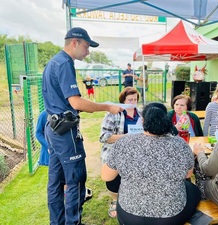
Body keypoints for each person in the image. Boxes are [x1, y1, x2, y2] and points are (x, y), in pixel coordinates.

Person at [42, 27, 123, 225]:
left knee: (56, 181)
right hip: (64, 132)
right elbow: (76, 103)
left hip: (53, 129)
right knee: (76, 179)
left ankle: (58, 222)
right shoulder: (64, 63)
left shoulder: (53, 62)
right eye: (86, 46)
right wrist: (107, 107)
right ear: (74, 43)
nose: (88, 51)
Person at [101, 102, 202, 225]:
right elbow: (188, 174)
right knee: (193, 190)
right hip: (170, 217)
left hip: (130, 215)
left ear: (142, 120)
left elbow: (106, 176)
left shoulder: (123, 143)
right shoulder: (181, 144)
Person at [99, 87, 142, 218]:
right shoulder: (113, 114)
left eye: (135, 99)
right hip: (116, 153)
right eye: (130, 99)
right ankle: (114, 200)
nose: (132, 102)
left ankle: (130, 200)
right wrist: (127, 136)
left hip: (137, 153)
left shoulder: (141, 114)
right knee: (113, 180)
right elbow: (104, 137)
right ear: (123, 100)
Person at [167, 95, 208, 198]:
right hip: (175, 149)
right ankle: (185, 189)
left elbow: (200, 135)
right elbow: (165, 135)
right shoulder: (168, 116)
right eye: (176, 104)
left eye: (182, 105)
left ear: (187, 107)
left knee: (202, 166)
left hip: (192, 146)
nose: (178, 107)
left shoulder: (193, 117)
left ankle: (202, 192)